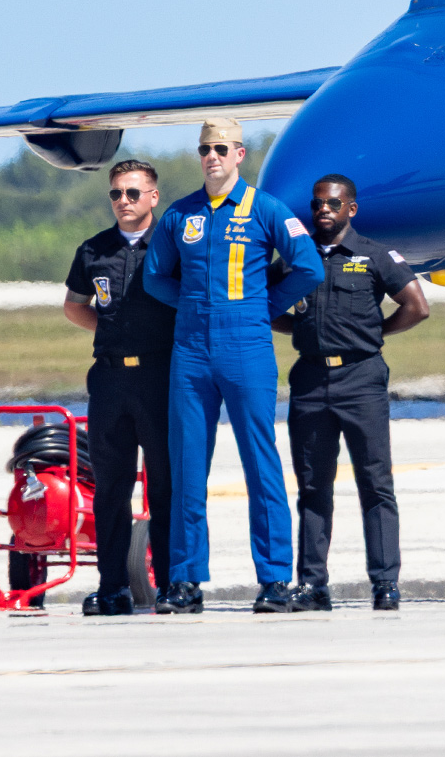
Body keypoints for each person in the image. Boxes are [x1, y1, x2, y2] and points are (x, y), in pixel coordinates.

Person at [142, 117, 321, 614]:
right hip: (191, 351)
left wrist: (263, 308)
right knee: (187, 467)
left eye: (221, 149)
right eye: (205, 150)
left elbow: (309, 267)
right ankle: (184, 580)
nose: (212, 158)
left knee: (261, 464)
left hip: (247, 346)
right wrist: (193, 306)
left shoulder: (266, 209)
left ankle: (274, 579)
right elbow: (155, 277)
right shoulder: (181, 214)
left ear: (240, 154)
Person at [275, 174, 429, 612]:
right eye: (317, 204)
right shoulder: (295, 257)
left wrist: (373, 335)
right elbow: (263, 305)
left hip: (361, 380)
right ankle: (312, 585)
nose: (323, 210)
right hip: (310, 380)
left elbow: (417, 307)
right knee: (312, 487)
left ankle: (385, 583)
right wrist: (299, 330)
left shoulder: (374, 255)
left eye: (333, 203)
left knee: (375, 483)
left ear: (351, 209)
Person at [61, 157, 175, 615]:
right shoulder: (95, 250)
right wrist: (113, 333)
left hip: (159, 377)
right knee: (110, 488)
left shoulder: (172, 247)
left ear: (153, 197)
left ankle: (172, 585)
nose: (123, 201)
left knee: (165, 485)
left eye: (132, 192)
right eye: (115, 193)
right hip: (110, 379)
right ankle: (112, 587)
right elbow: (74, 306)